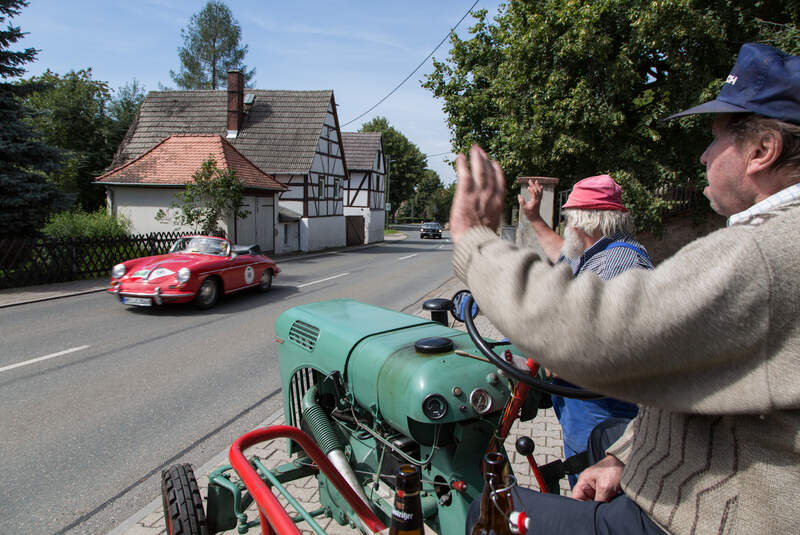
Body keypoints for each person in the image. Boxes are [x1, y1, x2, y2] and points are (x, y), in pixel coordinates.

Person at [454, 42, 800, 534]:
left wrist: (475, 243)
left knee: (487, 512)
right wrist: (625, 456)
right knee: (598, 447)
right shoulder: (767, 243)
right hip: (702, 480)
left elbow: (596, 336)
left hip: (709, 513)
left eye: (716, 137)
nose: (704, 154)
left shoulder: (767, 252)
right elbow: (703, 396)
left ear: (762, 150)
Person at [520, 175, 652, 486]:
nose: (566, 226)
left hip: (604, 406)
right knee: (581, 463)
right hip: (580, 399)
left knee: (596, 481)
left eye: (568, 218)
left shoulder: (619, 264)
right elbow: (560, 253)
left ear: (585, 221)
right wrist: (534, 218)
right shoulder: (591, 252)